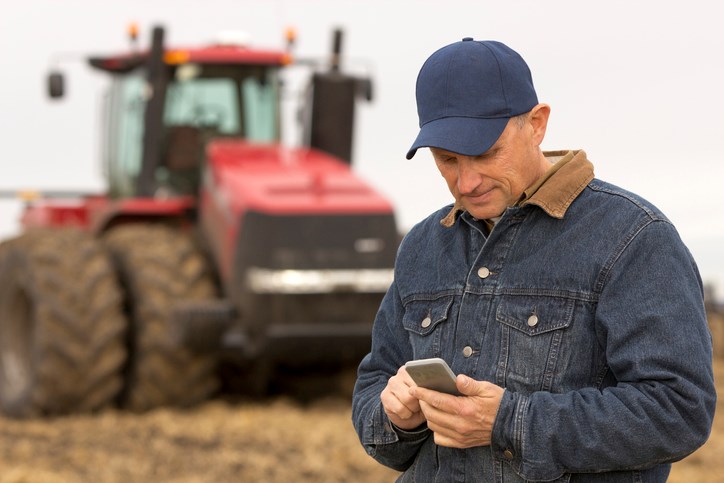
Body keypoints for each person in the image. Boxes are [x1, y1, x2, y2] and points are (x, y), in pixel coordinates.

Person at [352, 37, 716, 482]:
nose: (465, 182)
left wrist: (511, 422)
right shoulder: (423, 245)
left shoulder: (634, 237)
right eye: (447, 159)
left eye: (485, 153)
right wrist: (396, 418)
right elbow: (373, 390)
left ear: (537, 124)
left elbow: (680, 410)